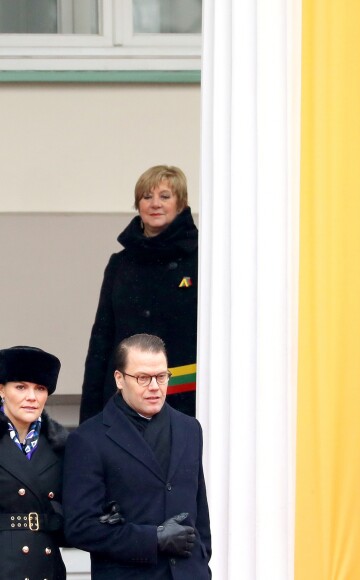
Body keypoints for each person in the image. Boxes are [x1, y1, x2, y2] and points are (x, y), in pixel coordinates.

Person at [63, 333, 211, 579]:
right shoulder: (88, 439)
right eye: (143, 378)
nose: (154, 386)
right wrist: (153, 539)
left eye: (162, 376)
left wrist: (202, 563)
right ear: (119, 379)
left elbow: (200, 513)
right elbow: (80, 527)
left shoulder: (189, 428)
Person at [80, 165, 198, 423]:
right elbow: (102, 338)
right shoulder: (120, 264)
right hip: (123, 402)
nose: (155, 204)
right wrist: (89, 416)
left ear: (181, 204)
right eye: (147, 197)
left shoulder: (202, 260)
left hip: (183, 402)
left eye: (165, 197)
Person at [0, 345, 68, 579]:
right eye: (21, 387)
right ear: (1, 389)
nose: (31, 397)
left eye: (40, 388)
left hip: (46, 567)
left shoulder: (62, 445)